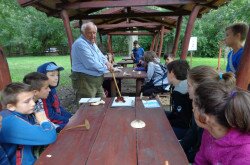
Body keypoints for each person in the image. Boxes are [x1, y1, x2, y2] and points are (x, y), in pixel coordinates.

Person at [180, 65, 236, 163]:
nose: (186, 89)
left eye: (189, 85)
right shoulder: (207, 127)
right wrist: (179, 149)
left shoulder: (210, 119)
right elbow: (201, 155)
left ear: (201, 88)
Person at [193, 82, 250, 164]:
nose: (192, 110)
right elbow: (201, 159)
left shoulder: (245, 154)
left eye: (194, 106)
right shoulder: (209, 131)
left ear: (204, 118)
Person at [0, 83, 56, 165]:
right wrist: (43, 119)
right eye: (27, 101)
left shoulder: (23, 113)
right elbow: (49, 136)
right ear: (11, 106)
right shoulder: (10, 122)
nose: (33, 103)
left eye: (32, 98)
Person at [70, 22, 113, 100]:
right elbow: (91, 64)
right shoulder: (80, 44)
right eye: (90, 33)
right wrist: (107, 69)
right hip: (84, 81)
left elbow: (100, 55)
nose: (93, 36)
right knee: (87, 106)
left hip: (96, 80)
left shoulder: (91, 42)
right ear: (83, 32)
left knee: (102, 101)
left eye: (94, 33)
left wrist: (107, 62)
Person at [37, 62, 72, 132]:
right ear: (42, 77)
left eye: (57, 75)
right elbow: (49, 116)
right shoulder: (43, 94)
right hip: (51, 124)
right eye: (52, 75)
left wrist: (71, 117)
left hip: (58, 119)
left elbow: (58, 108)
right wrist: (69, 120)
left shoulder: (52, 89)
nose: (56, 78)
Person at [166, 59, 192, 140]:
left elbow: (181, 121)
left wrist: (165, 122)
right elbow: (177, 113)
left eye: (167, 72)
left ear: (172, 73)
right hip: (185, 125)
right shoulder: (183, 85)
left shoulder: (180, 92)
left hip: (184, 130)